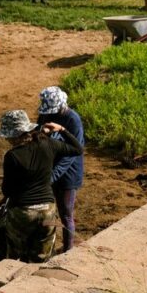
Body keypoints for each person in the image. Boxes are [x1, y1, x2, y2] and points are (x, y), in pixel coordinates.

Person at [0, 109, 83, 263]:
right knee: (42, 257)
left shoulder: (12, 156)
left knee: (15, 257)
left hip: (23, 213)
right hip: (47, 211)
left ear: (13, 136)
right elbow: (78, 149)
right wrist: (62, 130)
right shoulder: (47, 143)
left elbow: (7, 190)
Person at [37, 86, 85, 253]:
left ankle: (68, 250)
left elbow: (72, 154)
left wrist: (53, 176)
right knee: (46, 211)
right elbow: (38, 137)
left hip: (68, 173)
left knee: (65, 213)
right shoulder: (46, 114)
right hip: (49, 168)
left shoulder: (73, 120)